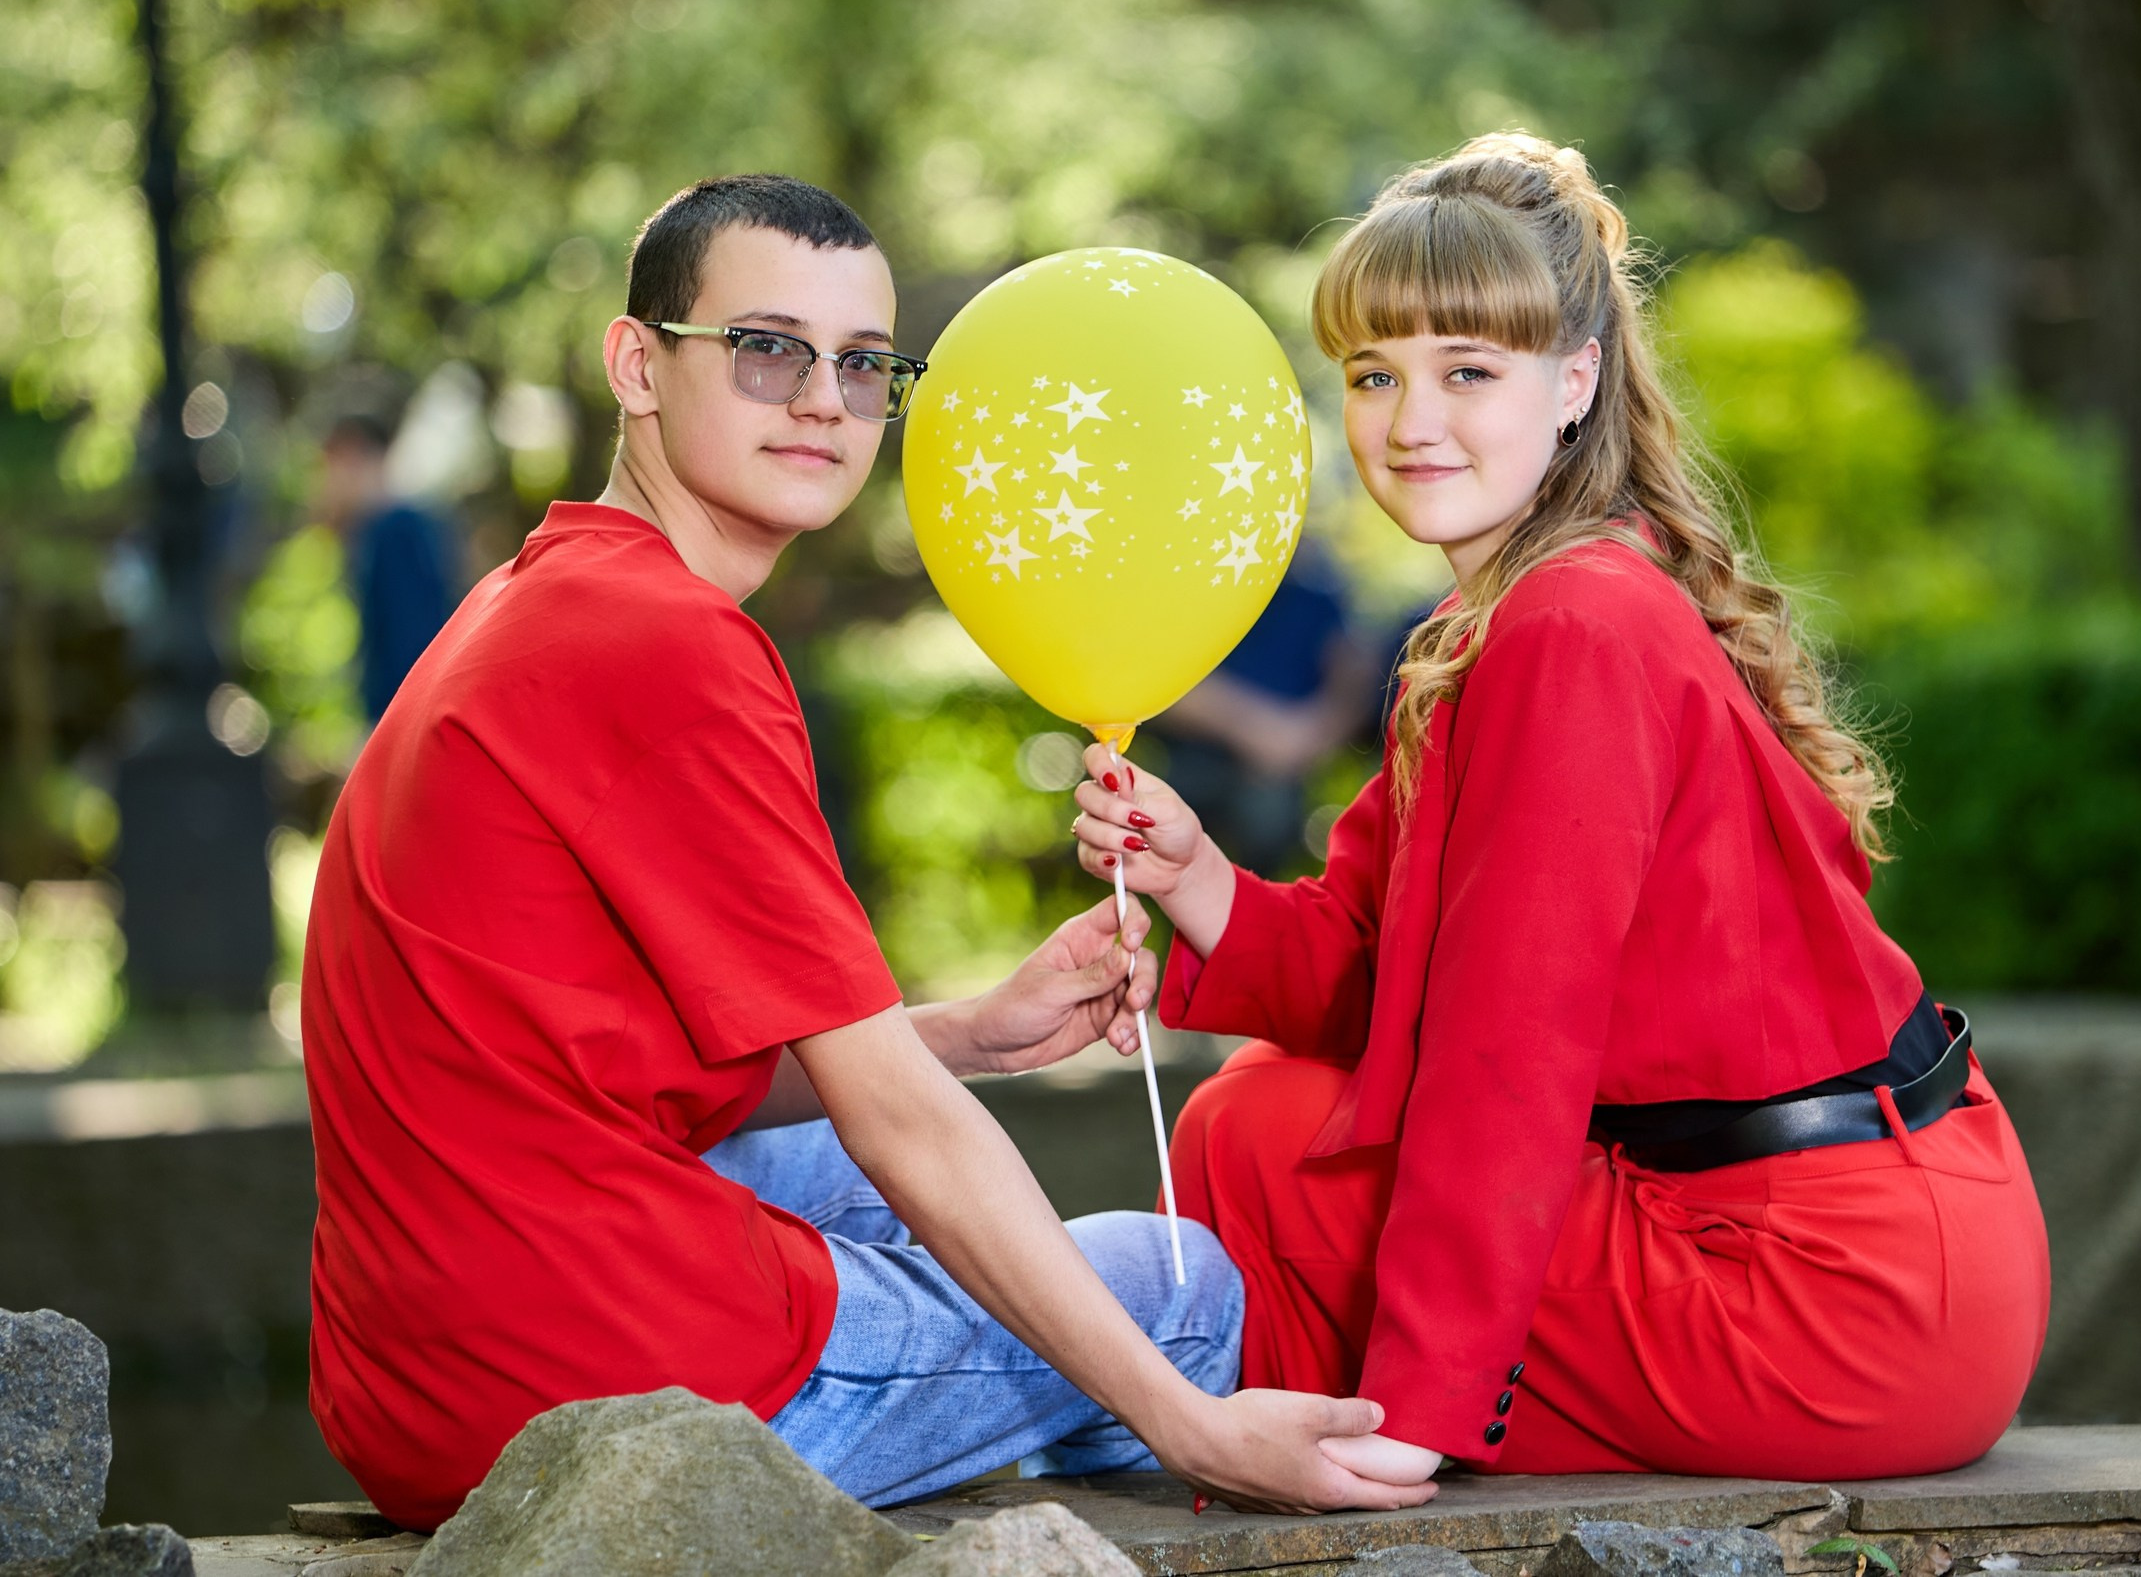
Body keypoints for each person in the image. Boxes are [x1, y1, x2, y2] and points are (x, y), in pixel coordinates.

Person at [301, 175, 1436, 1528]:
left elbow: (614, 1062)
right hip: (586, 1399)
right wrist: (1193, 1422)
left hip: (415, 1369)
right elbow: (901, 1120)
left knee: (891, 1184)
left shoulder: (538, 594)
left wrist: (968, 1029)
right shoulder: (671, 645)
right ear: (637, 364)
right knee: (1180, 1285)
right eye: (768, 347)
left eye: (863, 364)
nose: (824, 400)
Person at [1070, 134, 2051, 1488]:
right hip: (1878, 1238)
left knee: (1260, 1136)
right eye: (1375, 374)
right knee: (1262, 1107)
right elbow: (1384, 963)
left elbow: (1504, 1050)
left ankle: (1328, 1434)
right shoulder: (1496, 614)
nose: (1412, 422)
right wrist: (1197, 879)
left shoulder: (1574, 620)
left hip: (1824, 1287)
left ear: (1575, 378)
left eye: (1468, 371)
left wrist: (1420, 1413)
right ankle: (1259, 1414)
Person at [1149, 543, 1385, 876]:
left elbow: (1353, 673)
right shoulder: (1200, 585)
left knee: (1266, 814)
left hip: (1278, 775)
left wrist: (1306, 737)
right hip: (1194, 760)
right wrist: (1260, 731)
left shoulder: (1319, 596)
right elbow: (1159, 679)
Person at [313, 412, 459, 720]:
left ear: (352, 455)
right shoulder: (384, 530)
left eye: (328, 466)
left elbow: (411, 642)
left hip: (401, 717)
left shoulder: (396, 531)